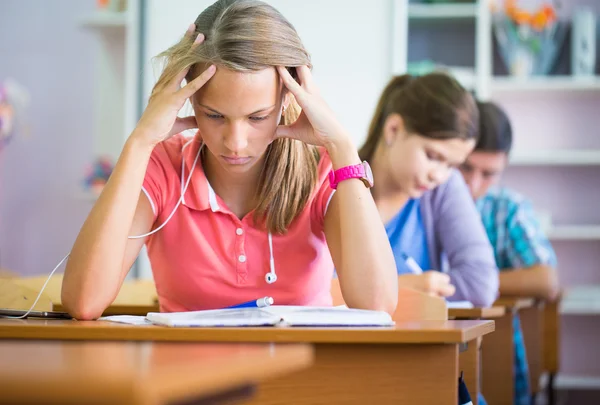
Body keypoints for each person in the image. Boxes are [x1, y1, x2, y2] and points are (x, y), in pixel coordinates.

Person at [61, 0, 397, 320]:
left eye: (257, 117)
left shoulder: (322, 168)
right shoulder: (163, 166)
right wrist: (139, 142)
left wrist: (341, 147)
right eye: (214, 116)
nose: (235, 144)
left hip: (301, 379)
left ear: (287, 99)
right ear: (189, 102)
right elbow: (85, 302)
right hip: (186, 377)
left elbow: (376, 304)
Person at [360, 73, 499, 307]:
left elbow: (481, 283)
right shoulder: (336, 183)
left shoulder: (443, 188)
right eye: (433, 157)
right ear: (393, 129)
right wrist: (401, 287)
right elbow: (315, 286)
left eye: (452, 165)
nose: (439, 175)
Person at [459, 101, 559, 405]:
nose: (474, 184)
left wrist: (473, 283)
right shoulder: (425, 197)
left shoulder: (507, 208)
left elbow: (546, 280)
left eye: (488, 173)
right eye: (465, 167)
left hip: (495, 353)